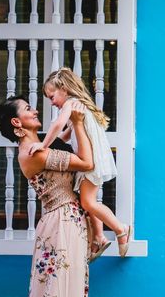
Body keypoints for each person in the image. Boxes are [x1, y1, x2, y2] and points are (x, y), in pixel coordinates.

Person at [0, 97, 94, 297]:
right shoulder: (32, 153)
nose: (35, 110)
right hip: (59, 225)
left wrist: (73, 122)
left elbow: (64, 145)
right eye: (27, 109)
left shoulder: (42, 147)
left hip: (70, 221)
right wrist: (77, 123)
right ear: (16, 122)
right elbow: (87, 163)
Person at [30, 67, 131, 260]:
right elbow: (66, 134)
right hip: (92, 159)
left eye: (52, 97)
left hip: (91, 160)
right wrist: (55, 144)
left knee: (88, 202)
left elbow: (58, 124)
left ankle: (120, 228)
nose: (52, 103)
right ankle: (99, 238)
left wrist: (43, 145)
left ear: (64, 90)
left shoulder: (71, 103)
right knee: (87, 200)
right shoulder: (77, 107)